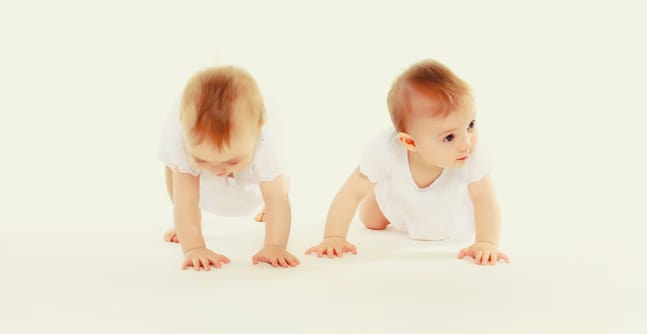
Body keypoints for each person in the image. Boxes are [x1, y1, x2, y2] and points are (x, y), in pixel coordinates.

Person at [306, 59, 510, 265]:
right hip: (397, 200)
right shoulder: (385, 150)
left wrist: (486, 242)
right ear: (410, 142)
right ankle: (379, 194)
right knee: (371, 220)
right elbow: (350, 193)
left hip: (447, 209)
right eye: (449, 137)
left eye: (470, 125)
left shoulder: (472, 154)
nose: (467, 142)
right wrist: (334, 237)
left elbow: (485, 199)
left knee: (441, 231)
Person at [159, 66, 299, 271]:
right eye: (202, 160)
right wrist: (194, 247)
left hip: (260, 151)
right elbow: (185, 199)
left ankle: (262, 204)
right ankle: (184, 225)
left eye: (232, 162)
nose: (217, 170)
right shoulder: (182, 141)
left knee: (276, 182)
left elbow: (277, 197)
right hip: (188, 150)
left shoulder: (267, 143)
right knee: (177, 172)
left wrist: (274, 246)